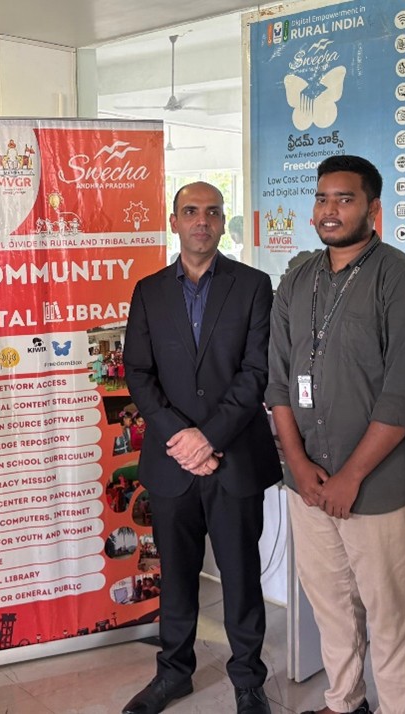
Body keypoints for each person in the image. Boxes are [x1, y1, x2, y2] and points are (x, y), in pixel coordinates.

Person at [267, 155, 405, 714]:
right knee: (331, 606)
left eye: (345, 199)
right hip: (308, 484)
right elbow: (278, 383)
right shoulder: (298, 279)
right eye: (322, 198)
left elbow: (404, 396)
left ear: (373, 208)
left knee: (389, 614)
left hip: (378, 487)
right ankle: (344, 703)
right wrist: (299, 466)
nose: (330, 210)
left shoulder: (403, 280)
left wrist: (350, 478)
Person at [122, 181, 280, 714]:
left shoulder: (253, 285)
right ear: (174, 221)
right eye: (190, 211)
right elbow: (138, 373)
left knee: (240, 576)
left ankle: (248, 681)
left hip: (233, 459)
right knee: (176, 576)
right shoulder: (149, 291)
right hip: (172, 462)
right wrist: (183, 438)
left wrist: (208, 438)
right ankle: (173, 674)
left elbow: (256, 372)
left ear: (222, 221)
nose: (201, 221)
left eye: (212, 212)